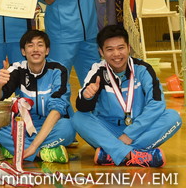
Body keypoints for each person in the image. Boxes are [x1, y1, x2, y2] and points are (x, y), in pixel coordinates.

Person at [72, 25, 182, 167]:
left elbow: (157, 104)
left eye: (120, 48)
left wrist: (130, 134)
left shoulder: (143, 69)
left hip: (138, 129)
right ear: (101, 52)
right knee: (78, 118)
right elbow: (82, 107)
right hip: (109, 130)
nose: (116, 54)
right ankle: (133, 155)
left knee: (173, 117)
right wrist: (87, 96)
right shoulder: (97, 72)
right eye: (110, 49)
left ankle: (112, 154)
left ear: (128, 48)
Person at [0, 30, 75, 163]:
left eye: (40, 45)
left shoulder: (58, 70)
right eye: (30, 45)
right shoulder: (17, 68)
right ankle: (43, 154)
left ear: (47, 50)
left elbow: (57, 111)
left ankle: (17, 150)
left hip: (52, 124)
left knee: (69, 128)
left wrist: (33, 146)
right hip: (26, 126)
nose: (35, 49)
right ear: (23, 51)